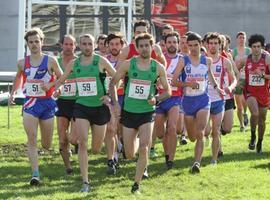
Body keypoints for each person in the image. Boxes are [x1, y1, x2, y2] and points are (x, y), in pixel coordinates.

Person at [109, 33, 171, 193]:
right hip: (129, 112)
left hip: (147, 113)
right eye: (141, 46)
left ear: (152, 47)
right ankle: (133, 142)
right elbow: (113, 83)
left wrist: (156, 98)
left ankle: (136, 184)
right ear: (136, 48)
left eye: (147, 46)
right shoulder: (128, 65)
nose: (144, 48)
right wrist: (115, 104)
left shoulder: (157, 67)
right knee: (129, 154)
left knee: (144, 147)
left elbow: (168, 92)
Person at [55, 34, 116, 192]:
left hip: (99, 108)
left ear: (94, 45)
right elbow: (62, 79)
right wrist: (53, 88)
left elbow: (117, 77)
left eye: (90, 44)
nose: (87, 47)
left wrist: (109, 95)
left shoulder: (100, 61)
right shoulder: (74, 63)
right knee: (83, 143)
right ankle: (85, 182)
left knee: (96, 149)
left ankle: (103, 155)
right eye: (84, 44)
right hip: (81, 106)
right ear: (79, 46)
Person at [9, 27, 62, 185]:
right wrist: (13, 93)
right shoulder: (21, 63)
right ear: (27, 44)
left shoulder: (51, 61)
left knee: (46, 144)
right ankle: (35, 174)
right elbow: (18, 78)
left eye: (36, 41)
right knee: (31, 138)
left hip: (47, 103)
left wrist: (52, 85)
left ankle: (45, 149)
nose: (34, 44)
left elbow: (62, 78)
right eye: (31, 42)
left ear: (42, 42)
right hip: (31, 103)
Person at [172, 32, 223, 173]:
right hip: (188, 102)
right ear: (187, 46)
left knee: (200, 133)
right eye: (190, 45)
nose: (193, 48)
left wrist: (218, 88)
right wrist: (188, 84)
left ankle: (196, 163)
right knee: (192, 137)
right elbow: (174, 81)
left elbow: (211, 78)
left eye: (196, 45)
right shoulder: (183, 60)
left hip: (203, 100)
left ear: (201, 45)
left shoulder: (207, 61)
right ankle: (195, 143)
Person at [152, 32, 182, 169]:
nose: (172, 45)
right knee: (160, 133)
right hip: (160, 98)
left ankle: (171, 158)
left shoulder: (182, 60)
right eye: (169, 42)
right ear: (164, 44)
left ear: (178, 43)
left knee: (172, 128)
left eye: (174, 42)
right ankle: (166, 153)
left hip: (175, 98)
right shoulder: (159, 61)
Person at [205, 32, 235, 164]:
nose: (213, 46)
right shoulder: (202, 60)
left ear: (220, 45)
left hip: (220, 98)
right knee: (207, 131)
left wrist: (231, 87)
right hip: (203, 99)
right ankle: (214, 154)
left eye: (215, 43)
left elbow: (234, 79)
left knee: (223, 129)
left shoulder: (225, 61)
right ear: (206, 45)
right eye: (210, 43)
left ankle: (214, 159)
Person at [238, 34, 270, 153]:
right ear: (250, 47)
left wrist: (262, 75)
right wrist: (239, 81)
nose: (256, 49)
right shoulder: (246, 59)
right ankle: (252, 137)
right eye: (254, 46)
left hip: (264, 93)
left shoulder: (267, 59)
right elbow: (235, 69)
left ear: (262, 47)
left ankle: (260, 142)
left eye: (259, 46)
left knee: (262, 121)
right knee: (255, 114)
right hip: (250, 92)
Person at [55, 34, 78, 175]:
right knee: (63, 139)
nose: (69, 47)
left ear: (75, 46)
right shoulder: (55, 62)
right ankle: (68, 167)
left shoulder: (79, 62)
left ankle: (76, 144)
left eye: (71, 44)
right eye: (66, 44)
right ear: (61, 45)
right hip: (61, 102)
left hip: (77, 102)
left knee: (73, 138)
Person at [104, 33, 125, 174]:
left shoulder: (127, 61)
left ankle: (121, 145)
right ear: (108, 46)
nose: (114, 47)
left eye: (117, 44)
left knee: (120, 128)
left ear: (122, 45)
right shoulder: (103, 60)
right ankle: (113, 158)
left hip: (124, 96)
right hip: (108, 98)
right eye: (111, 44)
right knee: (111, 127)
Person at [233, 31, 251, 132]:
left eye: (243, 37)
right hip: (238, 79)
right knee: (239, 105)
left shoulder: (249, 51)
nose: (241, 39)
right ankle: (241, 125)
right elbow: (232, 65)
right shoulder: (234, 51)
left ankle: (245, 113)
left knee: (245, 101)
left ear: (245, 39)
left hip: (247, 79)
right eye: (239, 37)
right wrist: (238, 65)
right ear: (237, 39)